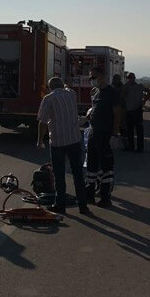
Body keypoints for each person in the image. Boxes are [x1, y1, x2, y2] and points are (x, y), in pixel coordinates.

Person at [37, 77, 91, 215]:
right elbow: (67, 86)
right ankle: (83, 206)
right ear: (62, 85)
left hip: (58, 142)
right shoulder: (71, 94)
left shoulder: (48, 99)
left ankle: (60, 206)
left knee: (59, 176)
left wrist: (40, 141)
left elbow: (42, 122)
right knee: (78, 174)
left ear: (50, 87)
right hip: (74, 140)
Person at [85, 67, 121, 207]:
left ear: (101, 77)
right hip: (93, 133)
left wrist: (115, 133)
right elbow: (95, 108)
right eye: (90, 78)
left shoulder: (111, 92)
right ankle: (89, 195)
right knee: (92, 165)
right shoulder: (96, 92)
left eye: (93, 77)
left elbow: (117, 112)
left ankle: (105, 197)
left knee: (106, 167)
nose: (91, 80)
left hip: (105, 134)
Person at [121, 72, 150, 152]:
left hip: (137, 110)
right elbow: (122, 97)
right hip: (129, 111)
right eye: (129, 78)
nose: (130, 79)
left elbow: (149, 91)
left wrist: (144, 100)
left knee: (139, 130)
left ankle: (139, 148)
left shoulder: (140, 86)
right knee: (130, 130)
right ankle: (132, 147)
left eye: (131, 78)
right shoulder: (126, 87)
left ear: (134, 78)